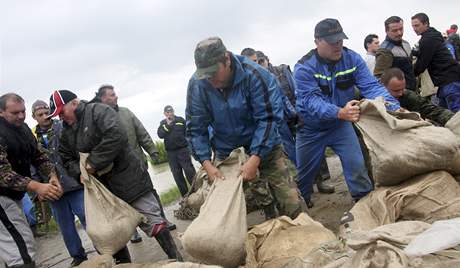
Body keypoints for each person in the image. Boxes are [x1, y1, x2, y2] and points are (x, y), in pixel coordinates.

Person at [52, 90, 182, 263]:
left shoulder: (98, 111)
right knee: (113, 233)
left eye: (62, 112)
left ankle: (176, 259)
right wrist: (79, 172)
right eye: (58, 115)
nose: (60, 117)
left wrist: (93, 163)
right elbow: (66, 157)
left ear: (74, 103)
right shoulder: (66, 132)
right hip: (104, 190)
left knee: (153, 220)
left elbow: (116, 135)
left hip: (129, 178)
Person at [186, 37, 304, 219]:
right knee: (224, 215)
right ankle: (267, 214)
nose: (210, 79)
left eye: (213, 72)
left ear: (226, 59)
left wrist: (255, 158)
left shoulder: (256, 75)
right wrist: (206, 164)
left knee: (291, 203)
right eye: (205, 75)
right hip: (228, 153)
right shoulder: (198, 83)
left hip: (265, 147)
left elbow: (269, 119)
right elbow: (195, 127)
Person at [294, 18, 400, 206]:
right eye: (332, 41)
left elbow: (371, 86)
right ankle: (302, 204)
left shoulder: (352, 58)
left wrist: (393, 105)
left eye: (340, 40)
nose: (338, 45)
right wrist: (338, 111)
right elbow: (310, 101)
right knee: (304, 175)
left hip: (340, 126)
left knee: (356, 164)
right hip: (311, 129)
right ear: (317, 41)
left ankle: (364, 203)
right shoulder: (304, 68)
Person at [95, 85, 177, 243]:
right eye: (112, 95)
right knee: (123, 202)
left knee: (151, 194)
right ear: (103, 98)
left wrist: (152, 151)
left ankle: (163, 220)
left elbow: (141, 132)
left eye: (115, 94)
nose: (116, 97)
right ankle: (132, 231)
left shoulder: (126, 112)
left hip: (138, 164)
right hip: (115, 172)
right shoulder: (98, 120)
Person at [254, 50, 335, 195]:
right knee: (293, 153)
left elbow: (297, 91)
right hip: (280, 122)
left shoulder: (282, 71)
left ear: (267, 60)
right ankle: (306, 189)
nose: (259, 64)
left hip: (298, 114)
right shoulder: (255, 80)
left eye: (261, 61)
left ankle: (321, 181)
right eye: (256, 63)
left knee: (313, 147)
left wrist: (299, 113)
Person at [0, 93, 63, 268]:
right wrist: (36, 186)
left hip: (15, 194)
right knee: (21, 249)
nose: (20, 116)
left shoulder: (25, 129)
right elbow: (2, 173)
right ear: (1, 112)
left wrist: (52, 175)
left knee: (17, 242)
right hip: (2, 197)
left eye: (23, 111)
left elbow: (38, 155)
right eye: (15, 113)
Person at [30, 100, 88, 266]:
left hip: (74, 183)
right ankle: (78, 256)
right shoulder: (32, 137)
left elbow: (77, 150)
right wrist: (37, 191)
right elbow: (31, 166)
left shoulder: (62, 126)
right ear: (34, 117)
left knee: (86, 216)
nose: (44, 116)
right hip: (53, 190)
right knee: (66, 226)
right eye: (40, 115)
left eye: (46, 112)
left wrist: (81, 173)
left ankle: (101, 247)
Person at [411, 13, 460, 112]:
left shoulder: (427, 39)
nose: (414, 29)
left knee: (456, 115)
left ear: (426, 24)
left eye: (417, 25)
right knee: (443, 116)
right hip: (445, 82)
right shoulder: (433, 35)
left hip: (449, 81)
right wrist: (413, 52)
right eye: (413, 26)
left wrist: (407, 75)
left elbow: (421, 65)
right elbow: (428, 53)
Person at [381, 68, 454, 126]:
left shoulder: (409, 97)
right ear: (383, 86)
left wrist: (454, 119)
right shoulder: (375, 101)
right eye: (396, 90)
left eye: (402, 89)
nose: (400, 93)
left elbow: (431, 110)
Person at [157, 105, 196, 197]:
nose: (169, 113)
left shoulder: (181, 120)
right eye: (167, 112)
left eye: (171, 111)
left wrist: (190, 146)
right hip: (171, 154)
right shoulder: (163, 123)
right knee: (177, 175)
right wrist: (168, 125)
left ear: (173, 111)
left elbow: (188, 133)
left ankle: (197, 190)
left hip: (183, 151)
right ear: (165, 114)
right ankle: (186, 196)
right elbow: (160, 135)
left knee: (189, 171)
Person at [374, 16, 416, 91]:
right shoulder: (384, 50)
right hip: (399, 96)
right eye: (395, 30)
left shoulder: (406, 44)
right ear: (386, 31)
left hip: (412, 91)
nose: (399, 33)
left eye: (401, 29)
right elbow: (379, 78)